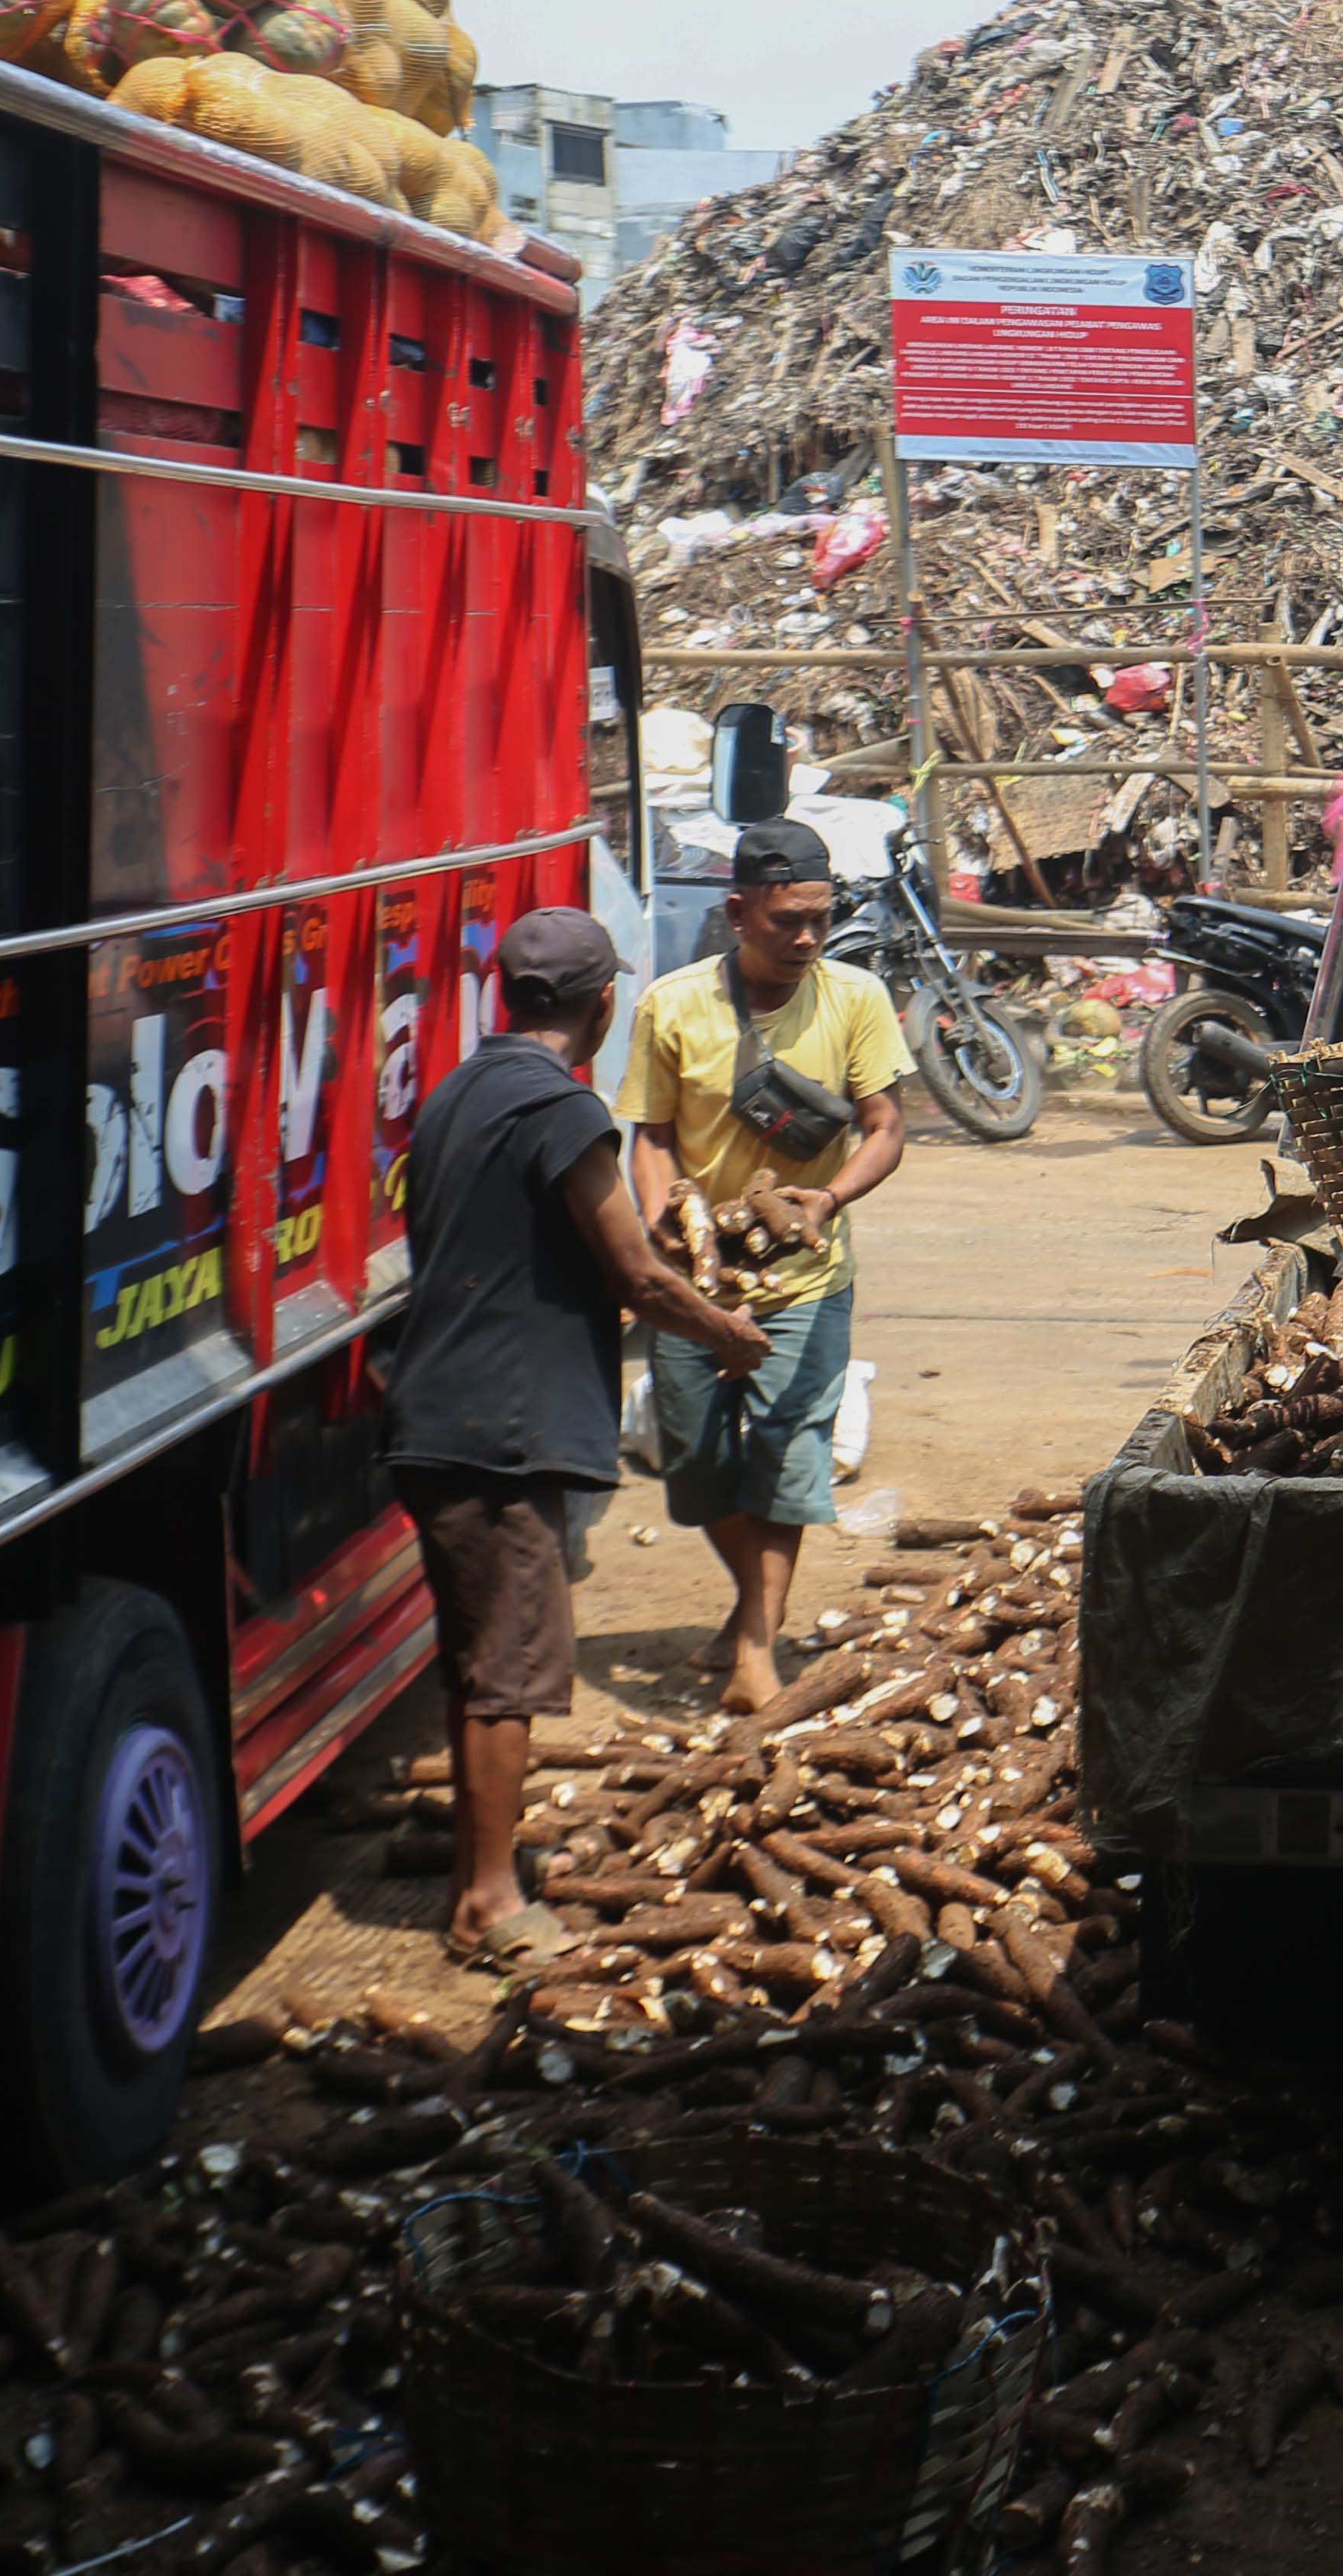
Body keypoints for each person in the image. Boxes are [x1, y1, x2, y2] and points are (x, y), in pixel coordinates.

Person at [380, 908, 769, 1966]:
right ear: (605, 1006)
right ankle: (491, 1906)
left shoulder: (457, 1091)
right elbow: (635, 1269)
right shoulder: (561, 1110)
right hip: (505, 1426)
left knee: (477, 1668)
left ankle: (480, 1875)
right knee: (509, 1672)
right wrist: (726, 1332)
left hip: (437, 1409)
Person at [615, 815, 917, 1715]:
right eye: (787, 919)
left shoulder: (855, 997)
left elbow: (886, 1128)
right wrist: (667, 1218)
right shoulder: (671, 1005)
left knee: (787, 1455)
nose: (808, 938)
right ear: (739, 912)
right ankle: (756, 1605)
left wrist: (828, 1200)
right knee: (697, 1464)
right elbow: (653, 1139)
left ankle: (755, 1646)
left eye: (821, 917)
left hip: (807, 1281)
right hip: (698, 1284)